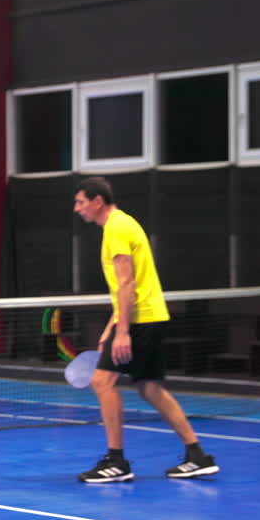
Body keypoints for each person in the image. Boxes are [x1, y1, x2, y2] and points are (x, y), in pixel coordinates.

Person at [72, 177, 218, 482]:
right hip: (147, 317)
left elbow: (128, 283)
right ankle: (197, 455)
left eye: (81, 202)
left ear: (98, 201)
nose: (77, 209)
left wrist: (122, 332)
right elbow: (125, 286)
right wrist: (112, 325)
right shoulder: (122, 224)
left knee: (102, 381)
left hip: (139, 321)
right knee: (149, 387)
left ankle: (116, 461)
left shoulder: (116, 228)